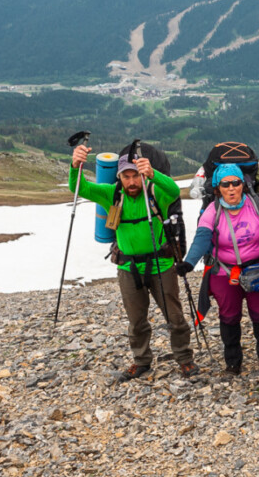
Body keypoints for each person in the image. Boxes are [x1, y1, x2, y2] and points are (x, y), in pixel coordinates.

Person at [69, 142, 194, 382]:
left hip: (161, 265)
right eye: (126, 177)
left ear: (142, 175)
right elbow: (78, 188)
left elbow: (174, 190)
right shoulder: (111, 194)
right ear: (119, 177)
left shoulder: (157, 193)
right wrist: (75, 166)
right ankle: (141, 361)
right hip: (128, 268)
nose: (131, 182)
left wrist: (153, 174)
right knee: (136, 321)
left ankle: (185, 359)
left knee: (175, 318)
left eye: (135, 175)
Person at [175, 165, 259, 375]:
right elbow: (202, 240)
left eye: (236, 183)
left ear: (243, 185)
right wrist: (189, 262)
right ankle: (233, 361)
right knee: (229, 315)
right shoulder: (211, 212)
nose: (232, 188)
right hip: (225, 273)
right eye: (226, 184)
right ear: (218, 189)